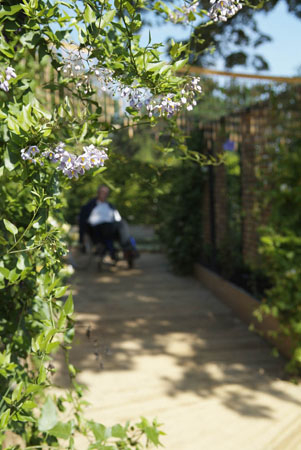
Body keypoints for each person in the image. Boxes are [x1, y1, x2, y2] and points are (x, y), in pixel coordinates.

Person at [79, 185, 138, 261]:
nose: (104, 194)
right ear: (98, 193)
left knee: (122, 223)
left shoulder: (110, 206)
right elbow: (82, 221)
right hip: (97, 229)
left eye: (106, 193)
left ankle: (127, 249)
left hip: (111, 228)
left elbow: (118, 218)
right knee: (110, 225)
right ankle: (126, 249)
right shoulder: (89, 205)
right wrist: (82, 238)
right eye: (102, 192)